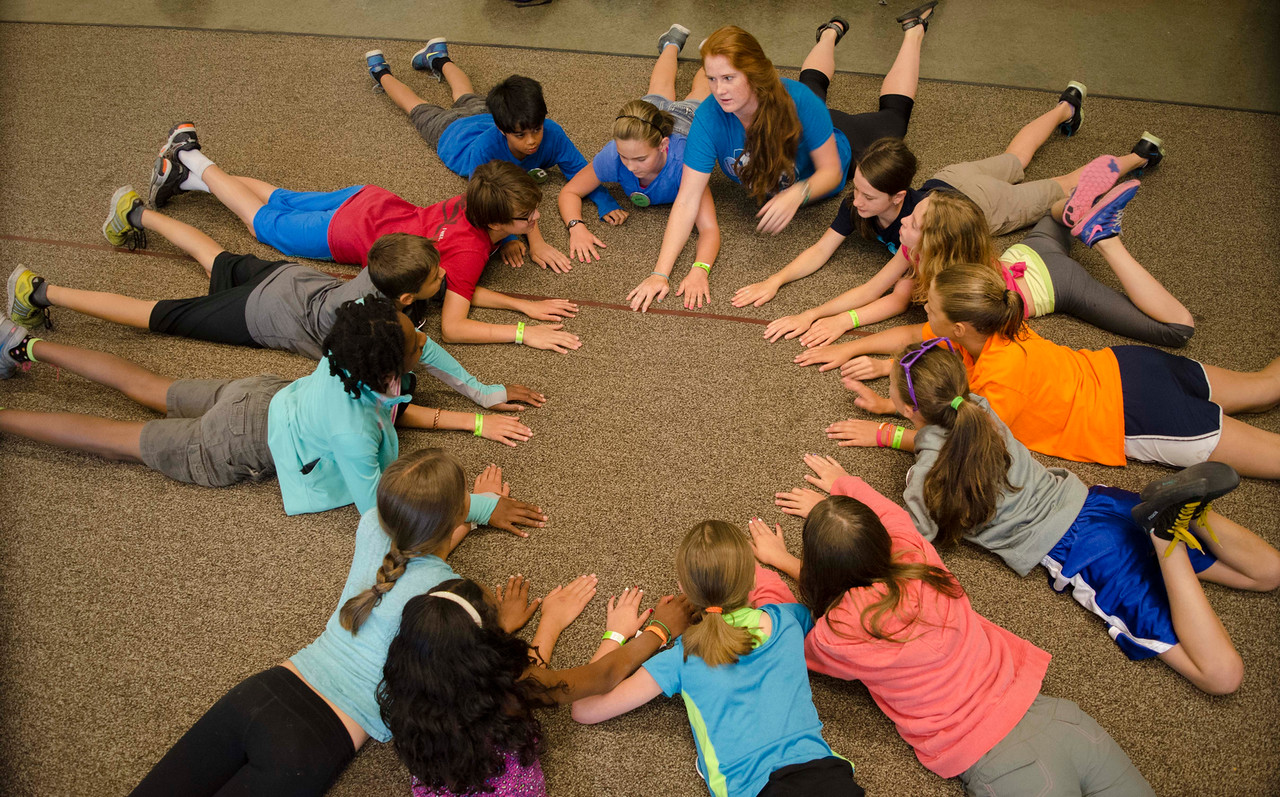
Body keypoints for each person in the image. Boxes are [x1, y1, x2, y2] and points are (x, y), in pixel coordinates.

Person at [795, 343, 1280, 693]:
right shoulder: (980, 410)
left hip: (1086, 553)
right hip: (1103, 502)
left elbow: (908, 541)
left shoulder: (923, 482)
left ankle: (1162, 532)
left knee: (1222, 676)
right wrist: (890, 428)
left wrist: (844, 491)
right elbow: (946, 440)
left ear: (907, 409)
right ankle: (1189, 515)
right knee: (1266, 573)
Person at [128, 449, 547, 796]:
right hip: (314, 738)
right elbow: (472, 658)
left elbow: (416, 547)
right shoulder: (448, 597)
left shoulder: (372, 524)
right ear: (456, 516)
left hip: (264, 690)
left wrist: (474, 508)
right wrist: (505, 624)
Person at [748, 466, 1156, 795]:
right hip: (1058, 718)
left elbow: (789, 640)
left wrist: (767, 573)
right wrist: (844, 485)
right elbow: (891, 515)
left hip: (997, 757)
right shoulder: (917, 557)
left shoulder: (837, 634)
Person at [0, 299, 545, 515]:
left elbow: (423, 349)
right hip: (236, 443)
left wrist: (484, 393)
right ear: (386, 369)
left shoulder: (355, 341)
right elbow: (381, 509)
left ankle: (24, 346)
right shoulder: (355, 431)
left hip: (258, 394)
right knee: (118, 439)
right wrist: (476, 509)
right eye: (414, 343)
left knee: (149, 386)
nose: (424, 342)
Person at [8, 195, 545, 413]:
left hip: (292, 280)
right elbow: (420, 360)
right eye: (436, 276)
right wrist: (481, 397)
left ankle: (136, 212)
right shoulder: (382, 324)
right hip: (263, 314)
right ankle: (39, 292)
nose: (446, 275)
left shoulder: (386, 266)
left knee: (216, 258)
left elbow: (429, 330)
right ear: (404, 299)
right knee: (158, 313)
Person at [815, 264, 1280, 480]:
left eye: (930, 308)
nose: (923, 310)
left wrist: (886, 431)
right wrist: (869, 364)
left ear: (958, 327)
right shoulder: (997, 321)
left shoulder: (999, 382)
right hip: (1132, 367)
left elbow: (963, 442)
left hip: (1137, 417)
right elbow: (912, 338)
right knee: (1265, 385)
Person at [147, 124, 582, 352]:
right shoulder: (470, 250)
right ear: (497, 223)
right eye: (527, 219)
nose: (536, 219)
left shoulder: (478, 195)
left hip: (371, 200)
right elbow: (454, 326)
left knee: (279, 197)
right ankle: (190, 155)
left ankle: (185, 180)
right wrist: (524, 330)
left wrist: (522, 248)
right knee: (259, 221)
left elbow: (462, 283)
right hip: (345, 234)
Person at [628, 11, 934, 313]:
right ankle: (830, 32)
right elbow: (687, 199)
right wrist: (660, 273)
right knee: (812, 86)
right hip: (804, 121)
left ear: (753, 74)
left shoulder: (796, 101)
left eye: (729, 78)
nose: (719, 90)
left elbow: (830, 171)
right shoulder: (708, 118)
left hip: (843, 145)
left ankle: (914, 30)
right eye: (712, 79)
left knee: (893, 120)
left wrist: (797, 193)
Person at [732, 105, 1164, 307]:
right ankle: (1065, 106)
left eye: (867, 195)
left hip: (983, 204)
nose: (855, 200)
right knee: (1016, 158)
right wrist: (775, 280)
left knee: (1062, 185)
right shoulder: (862, 203)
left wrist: (816, 316)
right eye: (856, 189)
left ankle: (1137, 156)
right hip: (952, 177)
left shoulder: (918, 225)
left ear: (898, 198)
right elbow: (820, 250)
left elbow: (880, 288)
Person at [572, 520, 864, 797]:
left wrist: (617, 634)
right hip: (831, 777)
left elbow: (584, 709)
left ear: (683, 588)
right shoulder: (787, 619)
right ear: (754, 580)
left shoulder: (680, 658)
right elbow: (835, 613)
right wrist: (782, 559)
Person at [767, 173, 1193, 349]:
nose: (903, 223)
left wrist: (851, 338)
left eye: (912, 222)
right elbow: (876, 291)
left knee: (1176, 330)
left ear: (934, 244)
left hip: (1055, 281)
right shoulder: (922, 249)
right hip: (1030, 248)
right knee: (1056, 216)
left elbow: (919, 331)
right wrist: (817, 314)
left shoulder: (955, 292)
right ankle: (1074, 209)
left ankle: (1106, 240)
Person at [380, 581, 694, 796]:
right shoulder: (509, 692)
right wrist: (659, 630)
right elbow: (604, 675)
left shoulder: (407, 693)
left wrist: (545, 622)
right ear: (483, 652)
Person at [365, 42, 611, 272]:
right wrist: (510, 238)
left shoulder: (547, 130)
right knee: (415, 105)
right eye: (521, 135)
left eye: (537, 129)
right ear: (502, 130)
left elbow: (582, 171)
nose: (532, 141)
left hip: (482, 114)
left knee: (465, 94)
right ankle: (381, 72)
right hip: (451, 133)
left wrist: (604, 200)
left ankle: (438, 57)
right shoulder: (485, 151)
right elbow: (487, 205)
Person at [557, 25, 720, 273]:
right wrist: (575, 226)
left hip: (688, 122)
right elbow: (570, 191)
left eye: (641, 159)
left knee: (700, 92)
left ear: (663, 146)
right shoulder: (613, 156)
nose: (631, 167)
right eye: (625, 157)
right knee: (660, 87)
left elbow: (709, 229)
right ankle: (672, 43)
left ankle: (710, 53)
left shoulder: (687, 163)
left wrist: (700, 270)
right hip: (648, 117)